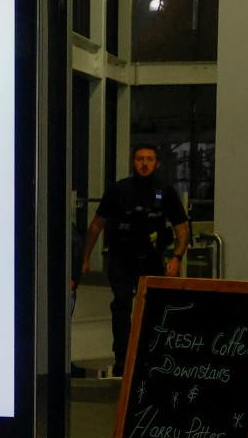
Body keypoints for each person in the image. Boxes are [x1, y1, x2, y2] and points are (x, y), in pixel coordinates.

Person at [81, 144, 189, 376]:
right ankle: (122, 358)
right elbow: (96, 226)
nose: (144, 163)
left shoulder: (165, 192)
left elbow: (182, 229)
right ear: (133, 162)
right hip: (121, 258)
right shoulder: (118, 190)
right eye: (140, 159)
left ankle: (151, 357)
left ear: (157, 163)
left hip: (151, 260)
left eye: (149, 159)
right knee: (121, 306)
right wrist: (86, 257)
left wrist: (177, 257)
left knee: (153, 308)